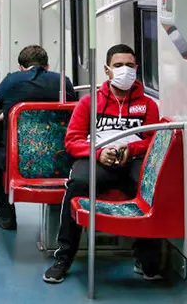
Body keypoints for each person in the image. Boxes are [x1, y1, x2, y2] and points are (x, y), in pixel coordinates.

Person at [43, 44, 162, 284]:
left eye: (130, 65)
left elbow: (151, 141)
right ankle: (63, 258)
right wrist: (98, 152)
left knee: (150, 187)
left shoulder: (148, 105)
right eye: (118, 66)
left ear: (137, 68)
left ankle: (147, 259)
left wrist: (131, 149)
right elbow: (72, 140)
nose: (125, 70)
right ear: (107, 71)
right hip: (98, 159)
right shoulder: (89, 103)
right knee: (77, 184)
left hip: (132, 160)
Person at [0, 45, 76, 230]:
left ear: (21, 67)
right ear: (47, 66)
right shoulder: (64, 81)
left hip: (20, 161)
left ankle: (5, 217)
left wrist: (8, 114)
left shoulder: (11, 81)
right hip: (60, 159)